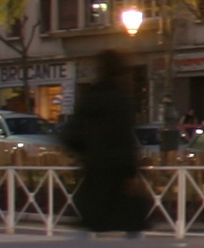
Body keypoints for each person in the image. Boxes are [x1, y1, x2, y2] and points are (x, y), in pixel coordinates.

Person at [60, 49, 154, 233]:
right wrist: (131, 172)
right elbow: (126, 139)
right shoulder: (120, 99)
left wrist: (86, 153)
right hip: (116, 174)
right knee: (120, 228)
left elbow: (72, 135)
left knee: (93, 227)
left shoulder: (90, 97)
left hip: (94, 173)